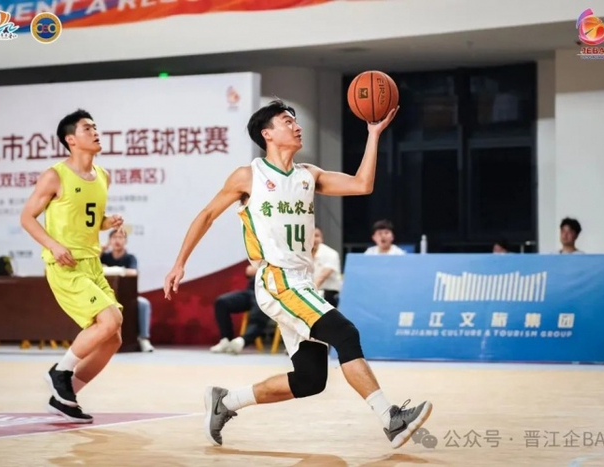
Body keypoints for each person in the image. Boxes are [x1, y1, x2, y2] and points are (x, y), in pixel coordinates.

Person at [164, 100, 432, 450]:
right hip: (277, 280)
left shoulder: (309, 174)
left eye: (295, 121)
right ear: (267, 134)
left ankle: (226, 401)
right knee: (345, 333)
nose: (297, 126)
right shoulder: (248, 176)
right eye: (287, 121)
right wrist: (179, 262)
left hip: (302, 282)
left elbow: (362, 184)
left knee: (310, 379)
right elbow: (206, 215)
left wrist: (373, 134)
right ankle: (390, 419)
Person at [20, 109, 124, 424]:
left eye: (95, 126)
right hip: (65, 264)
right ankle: (60, 371)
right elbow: (27, 217)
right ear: (71, 140)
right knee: (110, 319)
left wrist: (106, 223)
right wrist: (53, 245)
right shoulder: (55, 176)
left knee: (113, 338)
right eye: (87, 128)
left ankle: (64, 397)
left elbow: (88, 219)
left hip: (93, 263)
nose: (95, 131)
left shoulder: (103, 176)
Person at [100, 229, 154, 352]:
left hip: (126, 296)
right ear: (109, 241)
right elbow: (92, 267)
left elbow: (134, 272)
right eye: (114, 237)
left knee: (143, 303)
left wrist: (119, 271)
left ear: (125, 241)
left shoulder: (130, 258)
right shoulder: (104, 257)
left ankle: (143, 339)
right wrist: (100, 251)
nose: (117, 240)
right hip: (105, 297)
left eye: (120, 237)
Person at [210, 264, 270, 355]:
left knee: (258, 315)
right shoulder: (261, 257)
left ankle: (242, 341)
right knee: (222, 302)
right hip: (252, 290)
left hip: (269, 292)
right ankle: (226, 339)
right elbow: (249, 270)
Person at [312, 226, 341, 308]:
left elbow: (322, 277)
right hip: (309, 292)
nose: (313, 239)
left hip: (329, 294)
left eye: (316, 236)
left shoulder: (331, 254)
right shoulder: (302, 254)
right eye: (310, 236)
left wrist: (310, 292)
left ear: (321, 238)